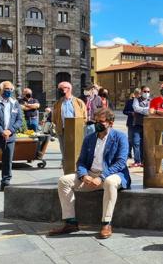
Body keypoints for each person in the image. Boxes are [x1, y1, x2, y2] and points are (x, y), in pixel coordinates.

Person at [48, 108, 131, 239]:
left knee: (109, 182)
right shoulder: (89, 138)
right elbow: (81, 161)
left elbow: (121, 163)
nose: (97, 124)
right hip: (90, 175)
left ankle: (106, 223)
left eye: (101, 121)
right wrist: (83, 175)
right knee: (64, 180)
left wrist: (102, 177)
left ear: (110, 123)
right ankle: (70, 223)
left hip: (113, 174)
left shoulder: (120, 137)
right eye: (95, 121)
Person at [52, 82, 87, 165]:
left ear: (68, 89)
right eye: (59, 88)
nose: (59, 90)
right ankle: (66, 166)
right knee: (64, 150)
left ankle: (77, 166)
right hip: (62, 130)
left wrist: (80, 126)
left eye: (61, 88)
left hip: (75, 130)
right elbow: (54, 118)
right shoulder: (57, 103)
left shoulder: (79, 102)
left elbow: (85, 117)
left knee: (76, 150)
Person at [131, 86, 151, 168]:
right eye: (145, 91)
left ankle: (143, 160)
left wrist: (142, 109)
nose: (147, 93)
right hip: (137, 124)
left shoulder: (151, 100)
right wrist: (146, 110)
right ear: (141, 91)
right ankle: (137, 160)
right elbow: (136, 108)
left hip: (147, 125)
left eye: (148, 91)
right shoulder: (136, 99)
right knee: (136, 142)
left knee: (144, 143)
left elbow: (151, 110)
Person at [122, 88, 139, 159]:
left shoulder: (142, 102)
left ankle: (137, 158)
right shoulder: (129, 102)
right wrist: (131, 113)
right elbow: (124, 111)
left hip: (139, 123)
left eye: (139, 94)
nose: (138, 95)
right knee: (130, 139)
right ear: (134, 94)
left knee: (136, 141)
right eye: (137, 94)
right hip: (131, 123)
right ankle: (129, 153)